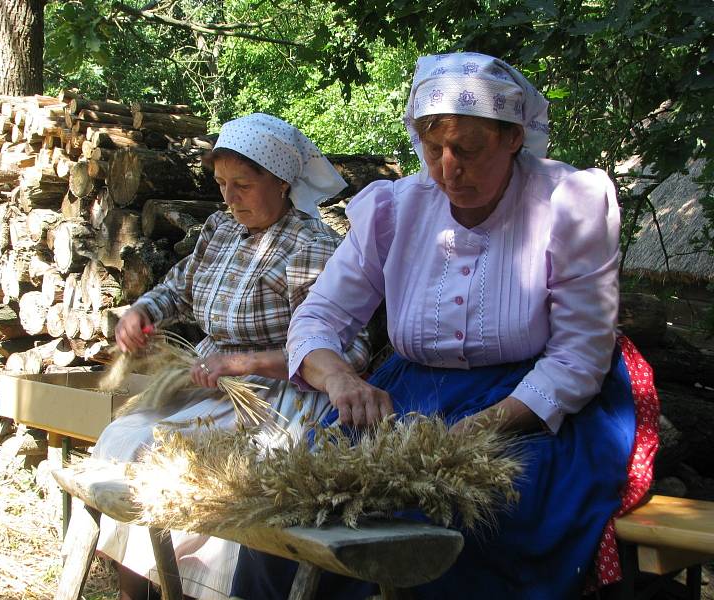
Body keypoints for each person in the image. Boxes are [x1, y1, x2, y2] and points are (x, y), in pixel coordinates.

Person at [230, 53, 656, 599]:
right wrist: (339, 379)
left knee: (461, 515)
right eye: (434, 150)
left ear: (513, 138)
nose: (448, 168)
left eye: (468, 150)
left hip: (530, 406)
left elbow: (579, 354)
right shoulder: (395, 208)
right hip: (412, 394)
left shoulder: (567, 203)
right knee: (293, 503)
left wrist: (482, 428)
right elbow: (319, 317)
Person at [91, 113, 371, 600]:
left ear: (282, 183)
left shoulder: (312, 245)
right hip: (211, 386)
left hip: (276, 399)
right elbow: (178, 288)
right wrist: (139, 310)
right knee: (124, 439)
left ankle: (198, 588)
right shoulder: (221, 229)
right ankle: (140, 590)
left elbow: (350, 347)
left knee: (197, 472)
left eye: (242, 184)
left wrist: (244, 363)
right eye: (221, 183)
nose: (228, 197)